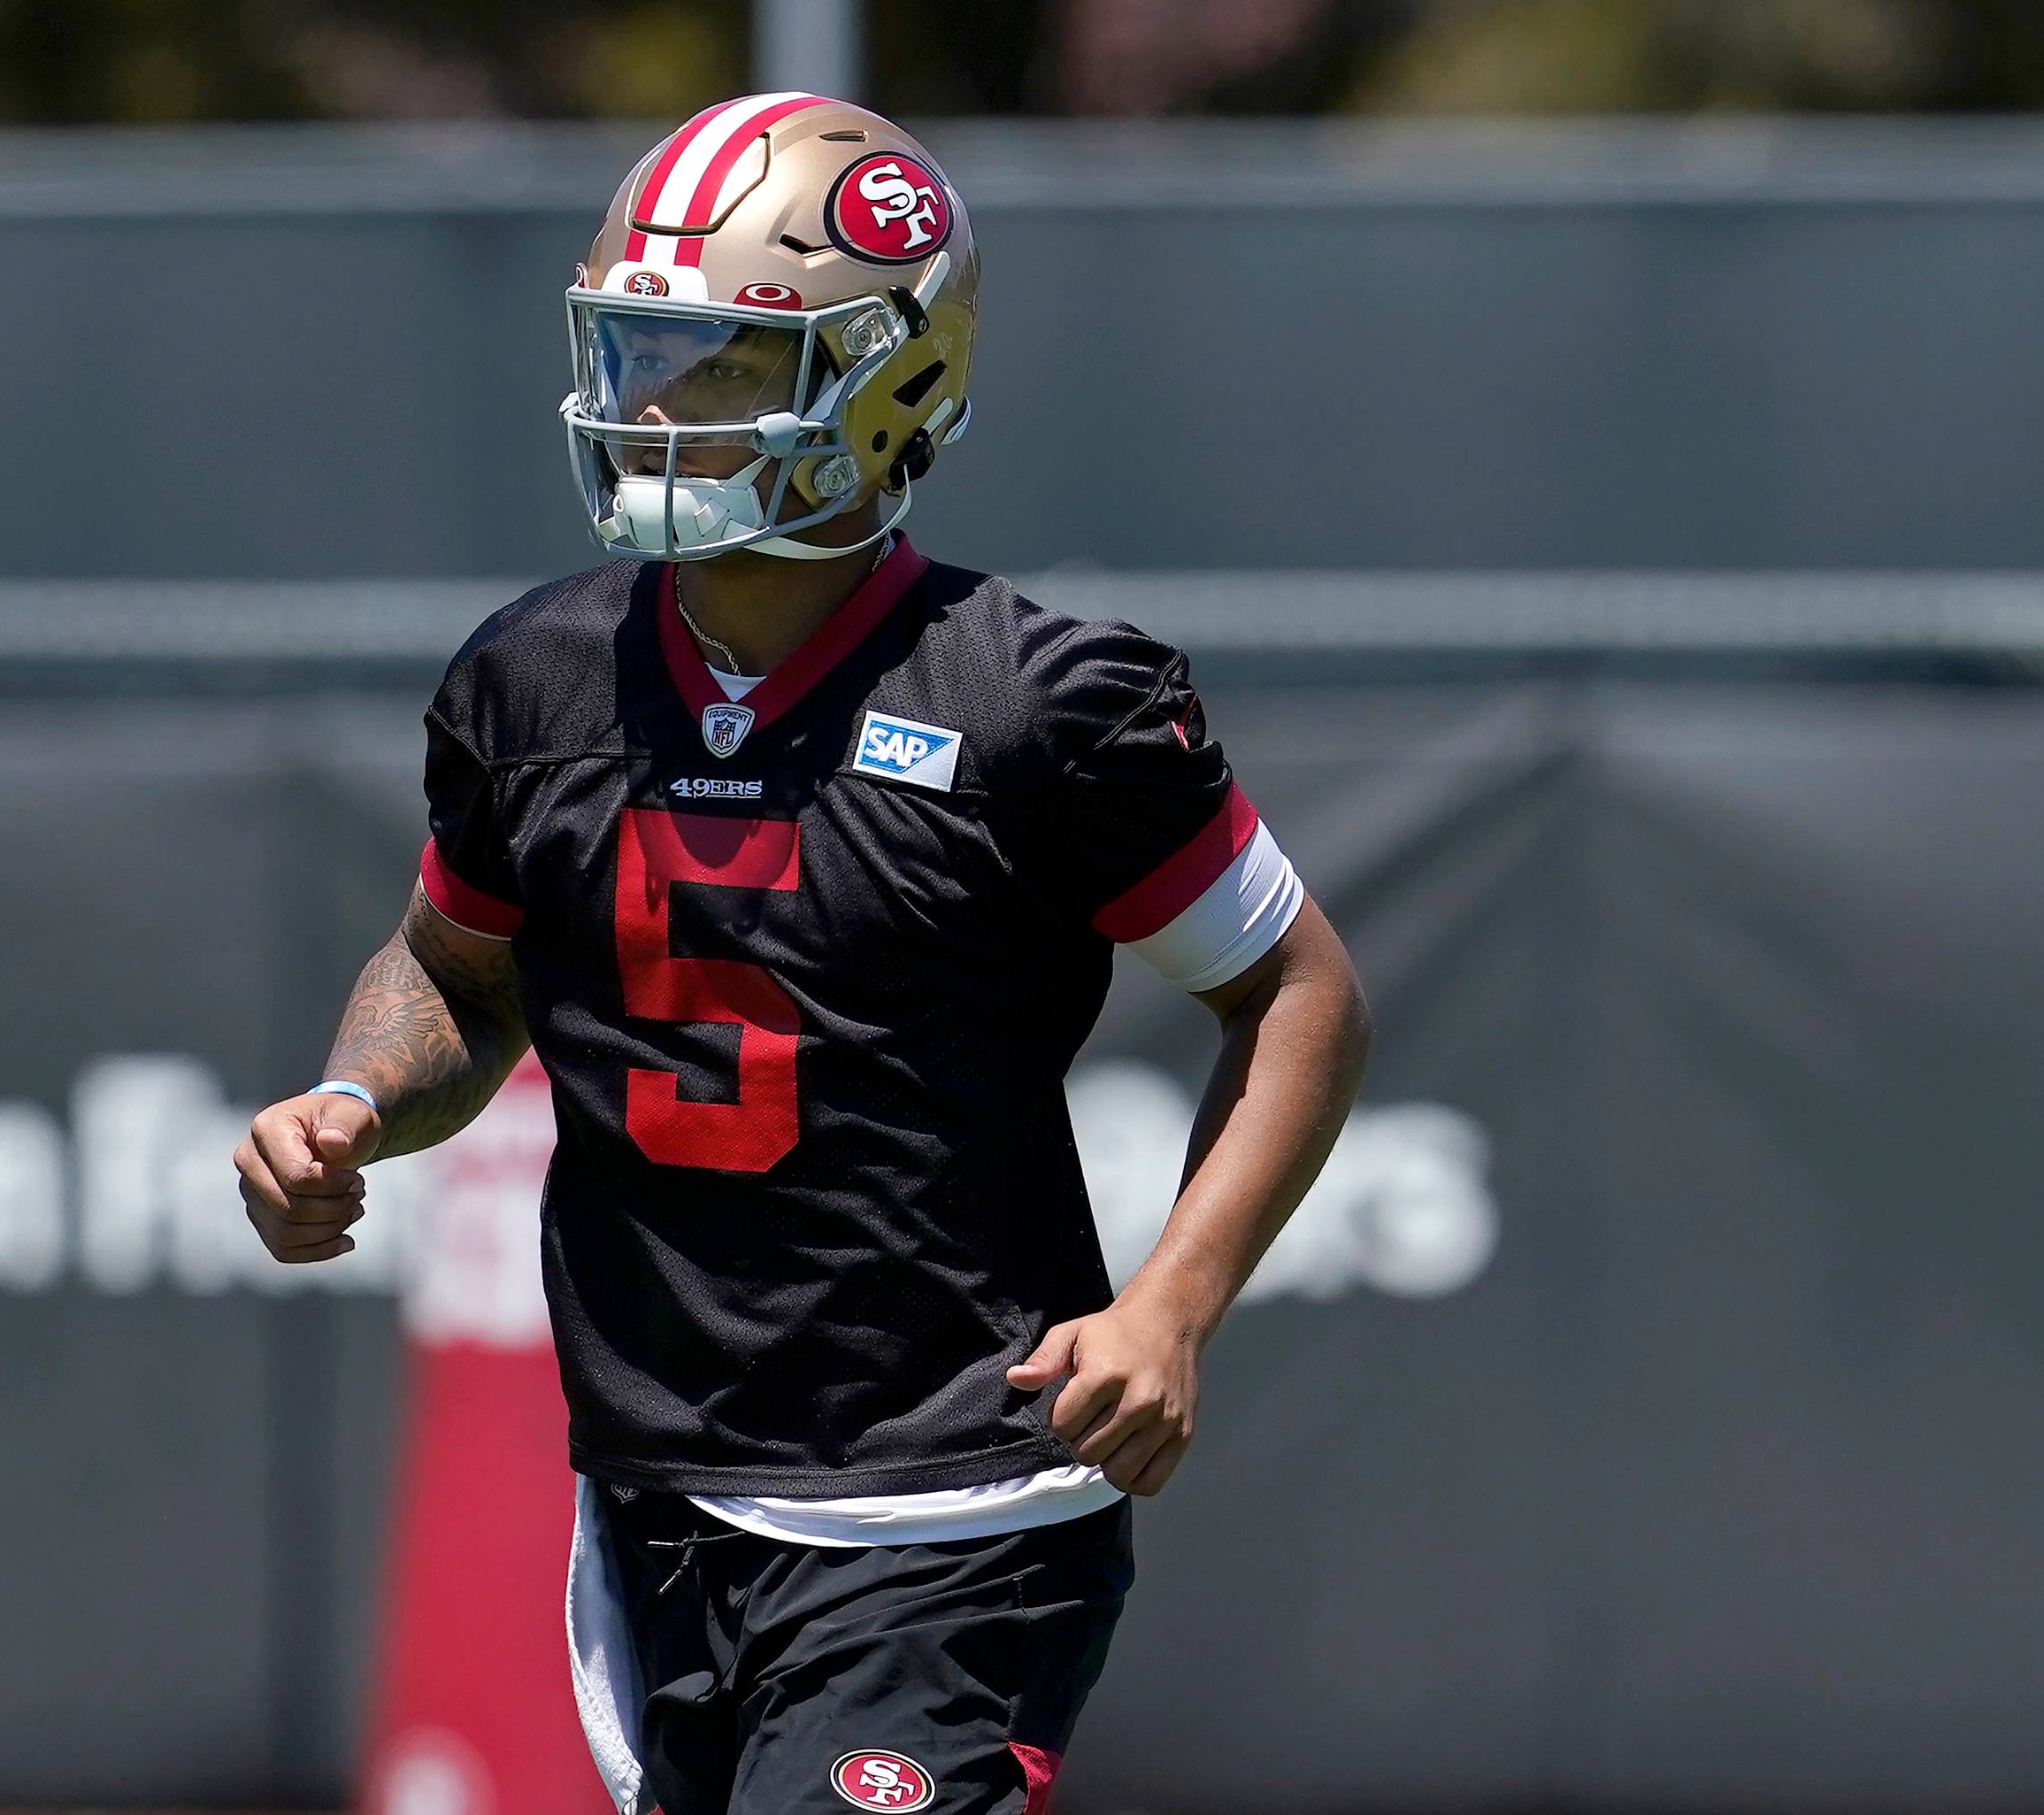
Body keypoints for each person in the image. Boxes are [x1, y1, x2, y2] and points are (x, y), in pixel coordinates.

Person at [236, 94, 1372, 1815]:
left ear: (894, 380)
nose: (656, 408)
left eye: (721, 360)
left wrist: (1173, 1304)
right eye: (636, 352)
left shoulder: (1039, 697)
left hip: (947, 1496)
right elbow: (455, 975)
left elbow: (1294, 992)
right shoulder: (527, 677)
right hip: (653, 1485)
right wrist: (350, 1100)